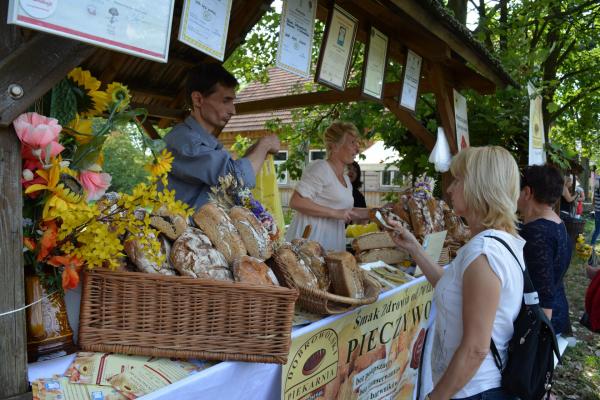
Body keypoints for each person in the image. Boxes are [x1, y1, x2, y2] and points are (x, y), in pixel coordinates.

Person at [387, 146, 523, 400]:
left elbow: (475, 349)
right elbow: (453, 287)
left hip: (473, 390)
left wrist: (435, 397)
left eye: (458, 180)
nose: (449, 189)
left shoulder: (484, 253)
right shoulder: (495, 243)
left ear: (480, 187)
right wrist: (414, 248)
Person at [163, 63, 280, 209]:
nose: (233, 110)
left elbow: (228, 178)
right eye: (226, 100)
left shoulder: (206, 143)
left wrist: (254, 151)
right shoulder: (182, 140)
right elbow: (235, 180)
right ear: (198, 99)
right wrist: (265, 144)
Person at [285, 122, 369, 251]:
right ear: (334, 147)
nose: (357, 148)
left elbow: (346, 212)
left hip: (332, 244)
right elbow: (296, 201)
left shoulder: (346, 178)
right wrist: (334, 213)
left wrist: (378, 212)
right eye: (352, 142)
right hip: (310, 245)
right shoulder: (321, 168)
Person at [517, 165, 572, 335]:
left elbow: (544, 295)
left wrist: (539, 342)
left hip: (541, 324)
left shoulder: (537, 233)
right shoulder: (557, 223)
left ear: (527, 192)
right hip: (556, 311)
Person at [591, 178, 600, 246]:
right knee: (597, 230)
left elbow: (593, 202)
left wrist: (594, 208)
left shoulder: (596, 191)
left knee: (597, 230)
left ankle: (592, 244)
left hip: (597, 212)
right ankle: (592, 244)